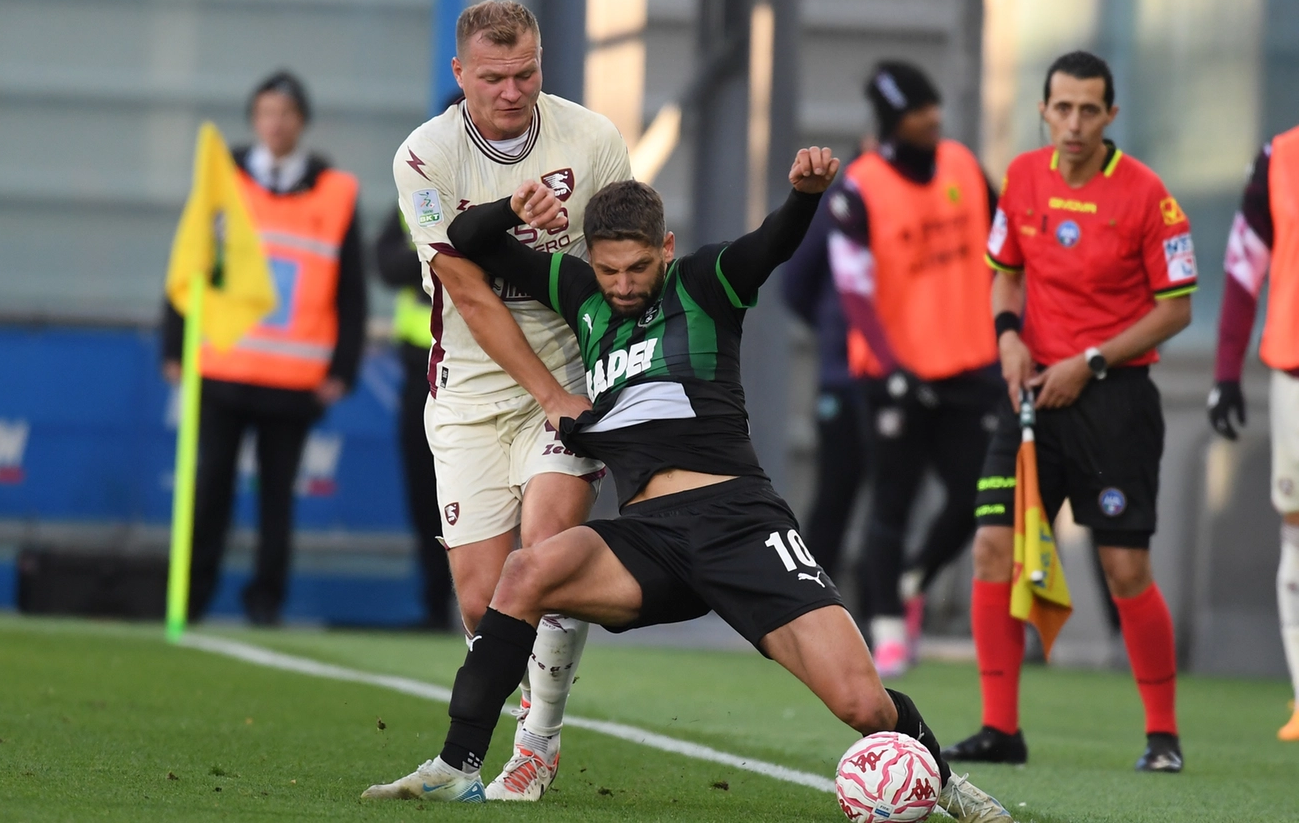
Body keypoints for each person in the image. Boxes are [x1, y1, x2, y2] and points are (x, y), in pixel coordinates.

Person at [363, 153, 1012, 822]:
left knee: (862, 704)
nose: (621, 284)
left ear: (665, 250)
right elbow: (470, 242)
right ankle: (458, 764)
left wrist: (804, 197)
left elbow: (772, 244)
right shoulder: (580, 292)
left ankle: (946, 784)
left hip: (741, 523)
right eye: (609, 268)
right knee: (526, 572)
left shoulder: (705, 282)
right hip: (649, 538)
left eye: (638, 268)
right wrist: (514, 208)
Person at [390, 0, 633, 800]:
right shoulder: (424, 157)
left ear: (542, 60)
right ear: (459, 73)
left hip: (568, 382)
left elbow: (629, 264)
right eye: (492, 76)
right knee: (481, 597)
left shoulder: (591, 141)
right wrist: (545, 389)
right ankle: (493, 735)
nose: (511, 89)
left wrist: (585, 383)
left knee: (546, 557)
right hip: (469, 390)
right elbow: (467, 287)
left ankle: (537, 742)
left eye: (525, 71)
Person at [952, 51, 1194, 772]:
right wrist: (1008, 340)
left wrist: (1089, 363)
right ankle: (1001, 729)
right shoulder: (1023, 178)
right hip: (1030, 395)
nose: (1075, 123)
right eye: (1063, 107)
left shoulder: (1149, 195)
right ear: (1044, 111)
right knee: (994, 547)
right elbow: (1004, 277)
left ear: (1110, 117)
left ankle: (1163, 736)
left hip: (1113, 398)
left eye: (1090, 110)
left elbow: (1176, 308)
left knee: (1124, 567)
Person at [160, 70, 366, 625]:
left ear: (302, 122)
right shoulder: (221, 179)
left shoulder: (335, 192)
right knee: (210, 491)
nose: (276, 124)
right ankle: (192, 596)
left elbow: (352, 290)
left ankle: (266, 602)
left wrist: (342, 368)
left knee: (278, 500)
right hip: (222, 366)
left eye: (287, 114)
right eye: (267, 113)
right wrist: (174, 347)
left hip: (294, 378)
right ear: (254, 119)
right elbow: (188, 264)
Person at [826, 62, 1003, 677]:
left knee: (979, 496)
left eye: (933, 107)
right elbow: (853, 291)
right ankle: (888, 629)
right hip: (893, 374)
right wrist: (894, 364)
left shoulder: (963, 166)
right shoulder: (859, 188)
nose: (933, 119)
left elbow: (1009, 251)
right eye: (918, 111)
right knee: (891, 502)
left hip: (972, 362)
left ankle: (914, 579)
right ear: (894, 120)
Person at [1207, 124, 1299, 740]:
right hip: (1293, 371)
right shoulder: (1279, 156)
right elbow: (1244, 267)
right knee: (1295, 526)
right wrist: (1225, 373)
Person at [781, 140, 871, 582]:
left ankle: (884, 617)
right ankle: (814, 601)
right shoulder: (841, 201)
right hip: (845, 377)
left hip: (908, 378)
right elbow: (795, 283)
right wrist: (837, 329)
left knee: (892, 502)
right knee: (835, 495)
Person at [375, 206, 454, 631]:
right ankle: (435, 603)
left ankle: (493, 605)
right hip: (418, 366)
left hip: (479, 363)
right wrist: (435, 254)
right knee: (425, 493)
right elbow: (385, 263)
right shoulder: (415, 195)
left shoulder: (496, 188)